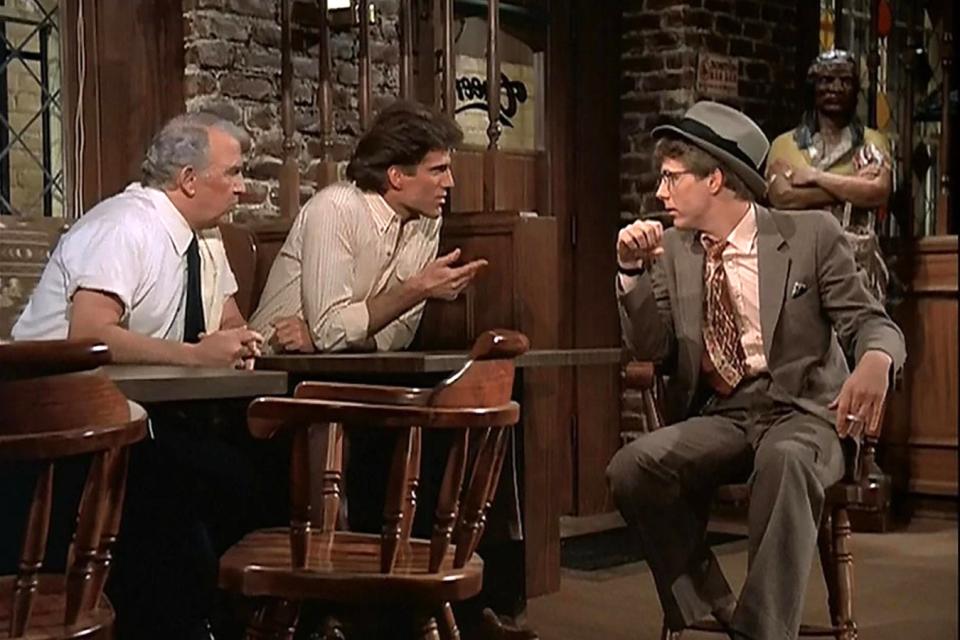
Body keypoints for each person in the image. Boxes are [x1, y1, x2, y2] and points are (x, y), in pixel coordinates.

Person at [606, 101, 905, 640]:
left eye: (672, 179)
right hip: (725, 412)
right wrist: (630, 274)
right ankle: (716, 605)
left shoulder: (809, 234)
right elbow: (653, 349)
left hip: (805, 411)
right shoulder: (674, 250)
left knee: (786, 460)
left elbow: (869, 323)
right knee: (633, 467)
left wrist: (877, 361)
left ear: (715, 179)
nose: (660, 194)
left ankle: (761, 632)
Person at [12, 112, 263, 366]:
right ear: (189, 180)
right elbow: (89, 334)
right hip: (53, 388)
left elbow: (228, 318)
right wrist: (195, 356)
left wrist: (238, 343)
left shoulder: (207, 238)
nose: (241, 187)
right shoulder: (124, 228)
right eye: (232, 173)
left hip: (150, 389)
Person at [249, 99, 487, 354]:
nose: (449, 182)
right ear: (396, 177)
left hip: (351, 365)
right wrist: (417, 288)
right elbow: (329, 329)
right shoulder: (336, 208)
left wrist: (341, 339)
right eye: (438, 170)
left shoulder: (429, 222)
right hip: (273, 368)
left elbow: (400, 333)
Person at [766, 49, 894, 304]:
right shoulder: (785, 144)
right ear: (813, 87)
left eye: (845, 81)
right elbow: (782, 197)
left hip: (856, 263)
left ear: (856, 89)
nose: (835, 88)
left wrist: (815, 177)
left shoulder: (870, 141)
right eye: (826, 80)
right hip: (800, 259)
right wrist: (853, 187)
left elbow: (877, 191)